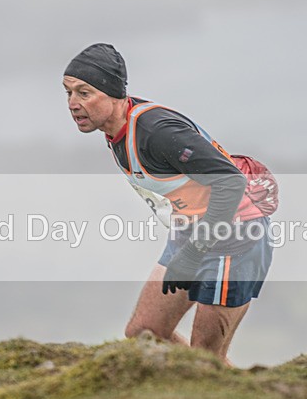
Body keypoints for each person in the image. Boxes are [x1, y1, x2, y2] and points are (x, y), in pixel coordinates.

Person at [63, 43, 277, 364]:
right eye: (68, 93)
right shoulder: (114, 129)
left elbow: (231, 181)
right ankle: (206, 389)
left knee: (206, 358)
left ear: (113, 94)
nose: (73, 104)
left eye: (84, 93)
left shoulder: (156, 131)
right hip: (191, 231)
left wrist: (192, 255)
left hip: (236, 235)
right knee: (145, 332)